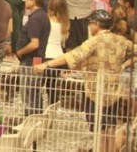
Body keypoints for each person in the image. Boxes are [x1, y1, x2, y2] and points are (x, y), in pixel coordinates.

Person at [35, 10, 133, 152]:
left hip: (94, 91)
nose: (89, 27)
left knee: (99, 130)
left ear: (96, 25)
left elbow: (72, 56)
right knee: (110, 128)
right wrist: (125, 65)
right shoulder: (121, 40)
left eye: (91, 23)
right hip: (113, 91)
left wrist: (46, 65)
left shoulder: (93, 42)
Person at [16, 0, 50, 116]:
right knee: (34, 92)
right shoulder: (43, 16)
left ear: (34, 1)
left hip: (30, 60)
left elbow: (34, 43)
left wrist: (20, 52)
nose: (25, 0)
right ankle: (36, 119)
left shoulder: (35, 19)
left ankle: (31, 119)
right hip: (37, 59)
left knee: (28, 93)